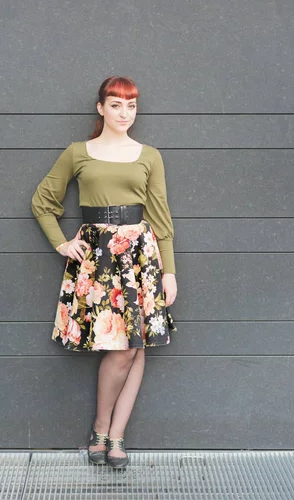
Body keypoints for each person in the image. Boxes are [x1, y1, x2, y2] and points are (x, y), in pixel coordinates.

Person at [31, 76, 178, 469]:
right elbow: (43, 202)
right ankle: (102, 428)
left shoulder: (149, 155)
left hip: (141, 258)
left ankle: (113, 435)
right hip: (99, 259)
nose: (124, 113)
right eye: (116, 105)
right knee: (121, 346)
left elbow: (160, 218)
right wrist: (61, 242)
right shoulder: (79, 152)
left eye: (131, 106)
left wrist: (169, 272)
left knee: (135, 344)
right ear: (100, 108)